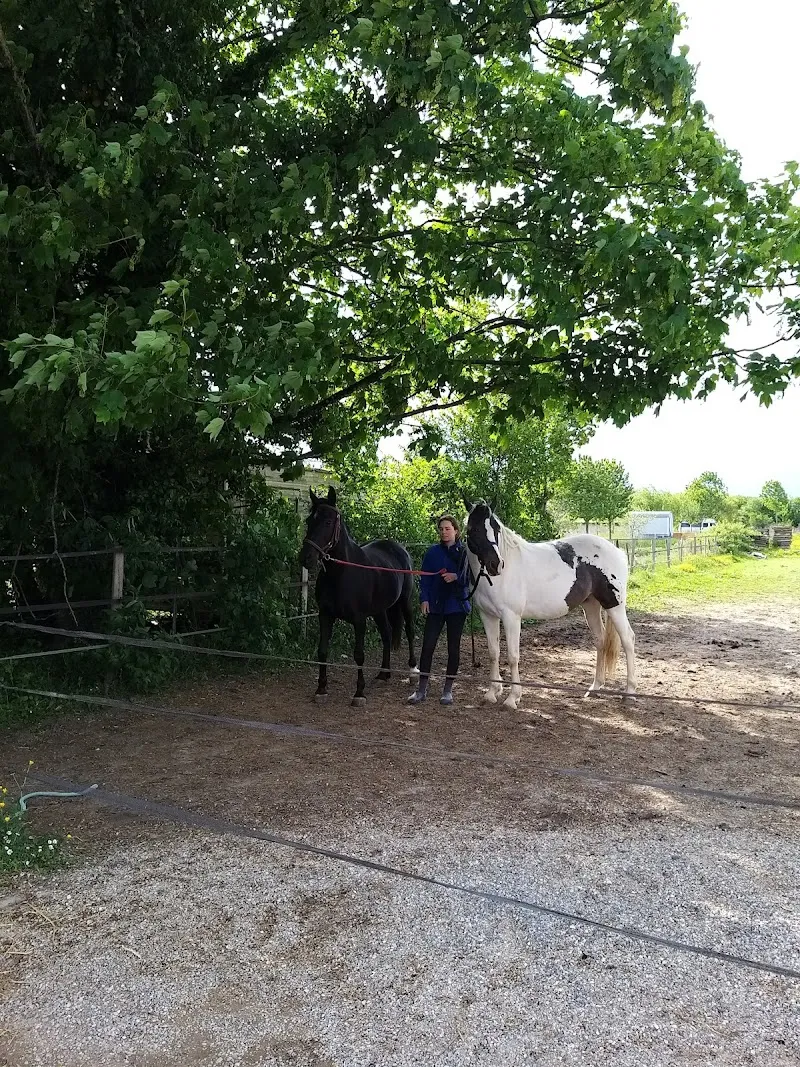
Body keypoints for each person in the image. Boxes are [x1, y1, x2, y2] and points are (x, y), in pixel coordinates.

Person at [408, 515, 471, 706]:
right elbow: (425, 578)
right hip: (435, 605)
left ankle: (447, 690)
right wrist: (424, 599)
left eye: (447, 529)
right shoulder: (432, 553)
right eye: (441, 529)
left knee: (453, 649)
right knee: (427, 646)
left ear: (456, 531)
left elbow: (471, 577)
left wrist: (456, 577)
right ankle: (421, 690)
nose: (444, 532)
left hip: (456, 606)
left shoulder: (466, 553)